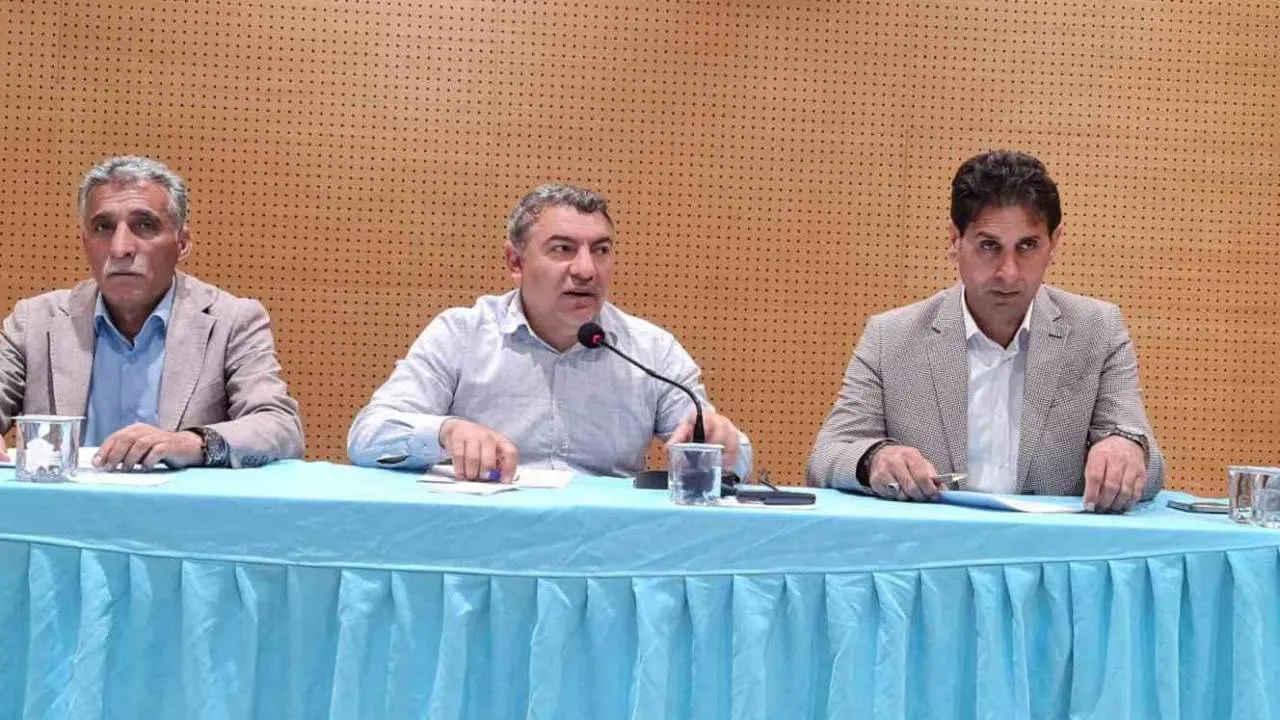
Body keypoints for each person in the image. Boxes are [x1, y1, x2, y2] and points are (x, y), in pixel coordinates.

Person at [806, 150, 1164, 512]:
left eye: (1027, 246)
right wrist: (875, 459)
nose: (1008, 273)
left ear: (1054, 243)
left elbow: (1151, 469)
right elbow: (828, 455)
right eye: (989, 246)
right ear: (954, 240)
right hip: (935, 542)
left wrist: (1128, 450)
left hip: (1052, 544)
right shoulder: (891, 337)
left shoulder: (1097, 330)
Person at [348, 183, 751, 482]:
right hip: (486, 532)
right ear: (515, 261)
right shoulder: (462, 334)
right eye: (563, 249)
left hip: (606, 543)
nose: (586, 270)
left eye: (601, 250)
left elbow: (737, 457)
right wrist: (446, 432)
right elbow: (368, 435)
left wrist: (722, 446)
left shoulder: (651, 349)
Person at [0, 156, 304, 470]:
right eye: (103, 227)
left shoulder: (233, 321)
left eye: (144, 225)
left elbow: (279, 426)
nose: (120, 248)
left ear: (182, 243)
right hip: (61, 500)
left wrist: (192, 443)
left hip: (180, 501)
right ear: (85, 242)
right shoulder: (34, 322)